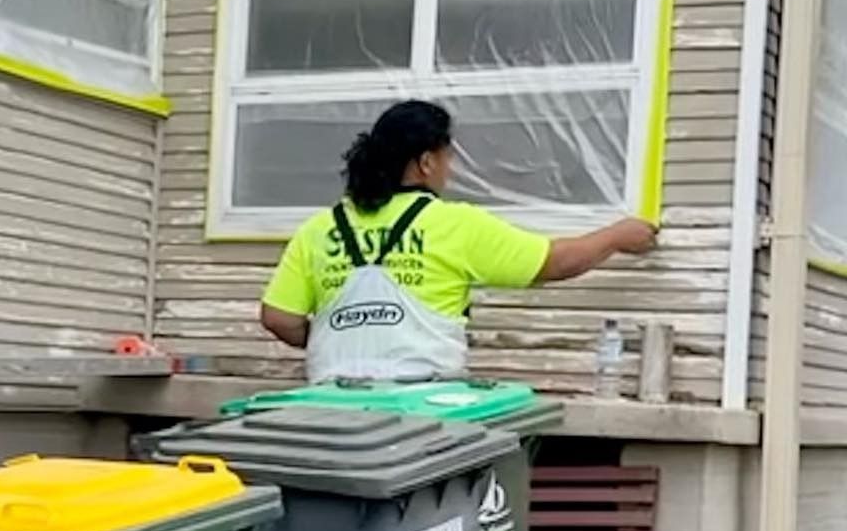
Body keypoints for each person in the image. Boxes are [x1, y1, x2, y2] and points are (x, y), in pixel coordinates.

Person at [259, 99, 658, 383]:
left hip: (330, 407)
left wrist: (342, 337)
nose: (449, 169)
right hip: (422, 410)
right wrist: (617, 236)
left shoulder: (317, 229)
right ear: (426, 162)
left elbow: (278, 318)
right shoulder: (454, 224)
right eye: (447, 158)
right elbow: (553, 262)